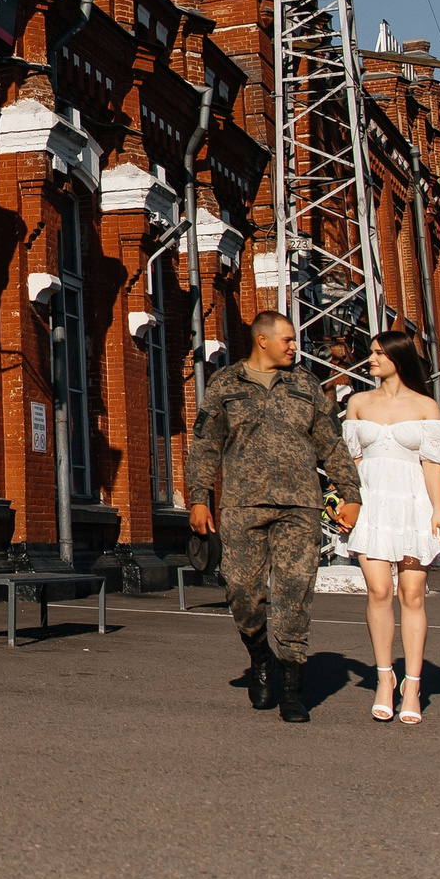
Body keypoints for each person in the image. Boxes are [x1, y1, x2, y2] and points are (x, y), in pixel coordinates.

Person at [186, 310, 363, 724]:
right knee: (241, 591)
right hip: (242, 505)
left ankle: (291, 689)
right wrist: (198, 498)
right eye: (287, 340)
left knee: (294, 594)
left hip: (300, 506)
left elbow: (331, 443)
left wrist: (350, 494)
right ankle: (260, 656)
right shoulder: (225, 383)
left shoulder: (305, 384)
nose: (294, 347)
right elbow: (205, 444)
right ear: (262, 340)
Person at [341, 328, 440, 726]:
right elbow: (352, 462)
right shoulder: (358, 403)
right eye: (371, 352)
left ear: (398, 357)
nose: (371, 359)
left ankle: (412, 686)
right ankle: (384, 679)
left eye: (378, 353)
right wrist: (347, 501)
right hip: (373, 505)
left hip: (413, 506)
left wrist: (438, 511)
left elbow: (432, 463)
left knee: (412, 594)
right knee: (379, 591)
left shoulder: (426, 406)